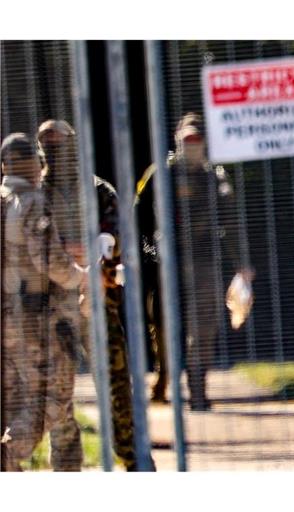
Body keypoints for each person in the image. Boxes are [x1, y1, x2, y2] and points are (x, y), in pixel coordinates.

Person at [36, 119, 152, 470]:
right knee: (58, 394)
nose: (55, 153)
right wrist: (68, 253)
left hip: (98, 304)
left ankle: (132, 461)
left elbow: (114, 239)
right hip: (52, 309)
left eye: (60, 145)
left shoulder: (99, 191)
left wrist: (89, 255)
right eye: (48, 146)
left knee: (116, 385)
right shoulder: (35, 193)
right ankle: (68, 468)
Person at [136, 113, 252, 411]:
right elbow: (138, 217)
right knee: (164, 327)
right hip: (167, 262)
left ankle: (198, 390)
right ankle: (164, 379)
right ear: (177, 141)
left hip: (203, 259)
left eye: (196, 141)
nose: (191, 146)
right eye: (186, 141)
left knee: (203, 328)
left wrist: (241, 262)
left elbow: (230, 221)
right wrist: (148, 255)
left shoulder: (215, 177)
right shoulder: (160, 173)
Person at [1, 133, 88, 471]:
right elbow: (48, 259)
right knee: (51, 400)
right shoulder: (33, 202)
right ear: (36, 165)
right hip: (33, 318)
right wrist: (81, 277)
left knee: (14, 400)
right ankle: (10, 456)